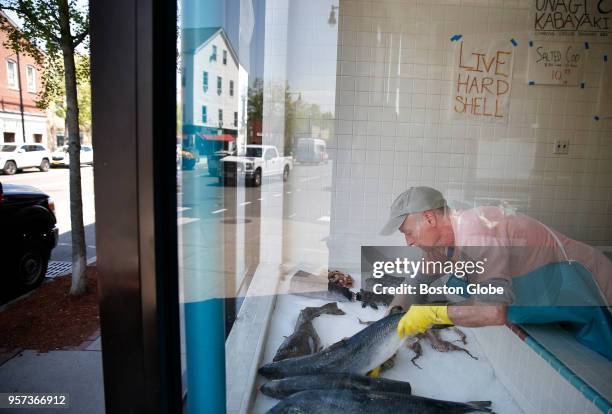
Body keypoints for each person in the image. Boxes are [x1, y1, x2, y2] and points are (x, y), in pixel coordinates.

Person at [380, 187, 612, 358]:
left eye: (408, 232)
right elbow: (416, 283)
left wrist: (429, 314)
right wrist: (385, 326)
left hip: (589, 283)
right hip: (557, 298)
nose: (408, 241)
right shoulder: (439, 248)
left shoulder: (476, 229)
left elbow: (492, 311)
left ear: (429, 218)